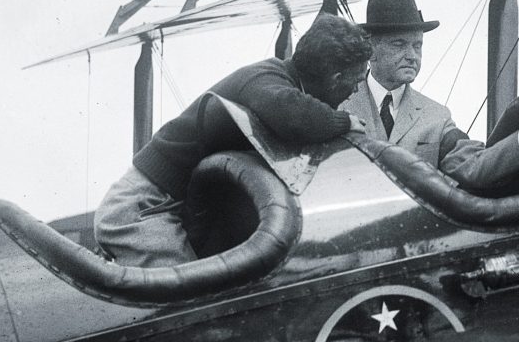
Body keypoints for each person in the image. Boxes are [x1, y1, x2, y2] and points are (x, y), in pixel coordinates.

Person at [95, 14, 371, 266]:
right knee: (189, 296)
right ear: (335, 79)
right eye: (356, 80)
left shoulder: (278, 81)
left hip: (163, 204)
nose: (357, 89)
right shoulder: (265, 78)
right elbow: (295, 116)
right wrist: (346, 122)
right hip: (141, 206)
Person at [342, 0, 519, 189]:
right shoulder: (337, 105)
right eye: (399, 44)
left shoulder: (436, 117)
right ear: (371, 50)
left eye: (417, 45)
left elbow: (475, 166)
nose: (412, 56)